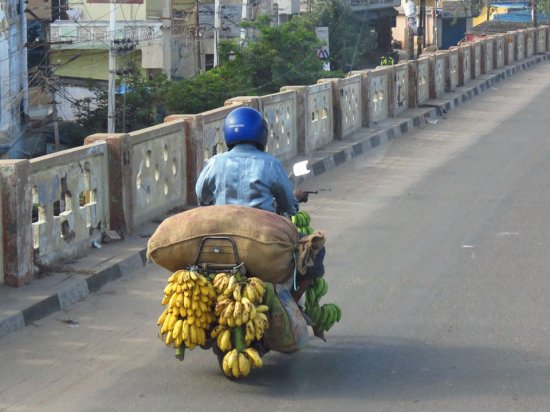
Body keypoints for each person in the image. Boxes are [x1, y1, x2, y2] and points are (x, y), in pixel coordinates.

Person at [195, 107, 323, 300]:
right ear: (262, 135)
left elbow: (202, 196)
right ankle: (294, 303)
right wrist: (295, 198)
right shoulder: (270, 164)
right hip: (262, 241)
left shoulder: (214, 163)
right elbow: (288, 206)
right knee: (315, 250)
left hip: (222, 242)